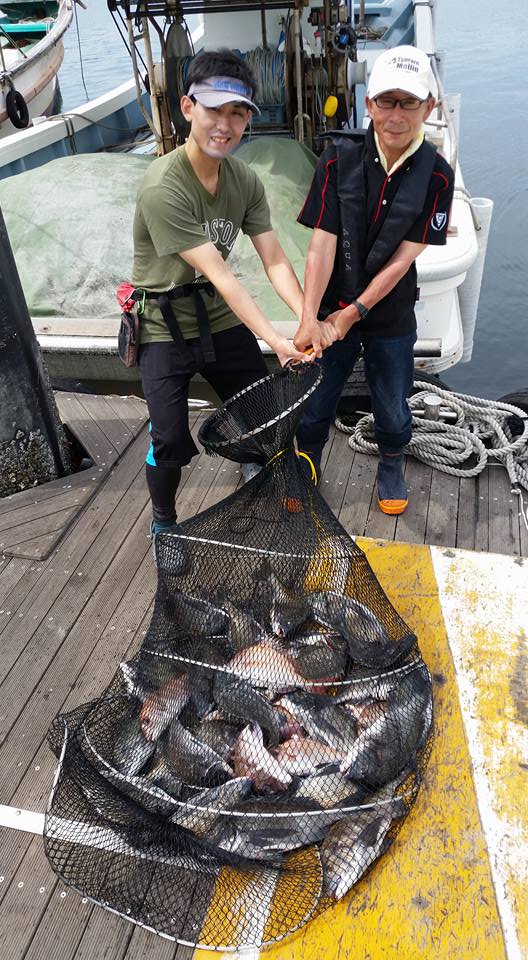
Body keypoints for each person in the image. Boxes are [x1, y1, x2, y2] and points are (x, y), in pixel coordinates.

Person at [133, 48, 311, 536]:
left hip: (218, 318)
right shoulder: (162, 187)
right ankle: (164, 523)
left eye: (237, 113)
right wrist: (277, 341)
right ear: (188, 108)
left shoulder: (244, 180)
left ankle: (259, 466)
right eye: (214, 110)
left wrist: (306, 317)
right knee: (168, 438)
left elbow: (273, 259)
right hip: (162, 325)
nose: (225, 125)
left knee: (262, 411)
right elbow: (223, 275)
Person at [294, 45, 455, 514]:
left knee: (391, 401)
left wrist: (354, 313)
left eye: (410, 102)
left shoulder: (438, 177)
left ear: (429, 106)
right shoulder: (335, 159)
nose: (397, 114)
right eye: (387, 100)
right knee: (318, 396)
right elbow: (321, 245)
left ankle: (390, 463)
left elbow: (402, 261)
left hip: (389, 311)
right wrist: (310, 317)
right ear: (369, 105)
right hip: (330, 309)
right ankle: (307, 460)